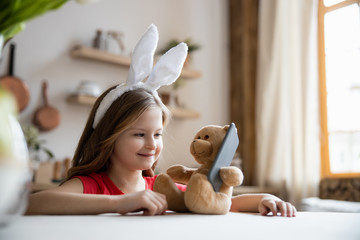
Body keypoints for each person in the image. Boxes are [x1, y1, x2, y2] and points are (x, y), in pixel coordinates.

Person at [25, 25, 296, 217]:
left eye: (157, 134)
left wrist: (265, 199)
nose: (152, 144)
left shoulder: (161, 188)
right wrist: (120, 203)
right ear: (109, 136)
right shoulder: (92, 184)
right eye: (139, 134)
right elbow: (34, 204)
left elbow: (228, 203)